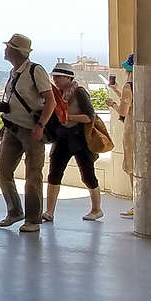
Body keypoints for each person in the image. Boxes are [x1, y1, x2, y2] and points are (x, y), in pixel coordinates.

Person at [0, 33, 56, 233]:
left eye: (8, 47)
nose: (5, 50)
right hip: (12, 128)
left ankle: (32, 219)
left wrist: (40, 125)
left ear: (15, 51)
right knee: (3, 170)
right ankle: (14, 210)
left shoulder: (35, 71)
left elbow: (50, 101)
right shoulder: (14, 72)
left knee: (33, 175)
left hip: (31, 130)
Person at [44, 64, 103, 223]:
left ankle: (96, 209)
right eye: (54, 77)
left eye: (59, 77)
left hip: (79, 138)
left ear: (68, 78)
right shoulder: (56, 94)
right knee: (54, 174)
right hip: (62, 138)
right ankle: (49, 212)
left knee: (87, 174)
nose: (55, 79)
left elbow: (90, 116)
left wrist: (68, 117)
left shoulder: (79, 92)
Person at [110, 54, 136, 217]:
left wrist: (112, 104)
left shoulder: (129, 86)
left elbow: (124, 111)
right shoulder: (143, 84)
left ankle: (136, 205)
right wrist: (117, 90)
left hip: (131, 131)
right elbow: (130, 102)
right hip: (143, 130)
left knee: (132, 167)